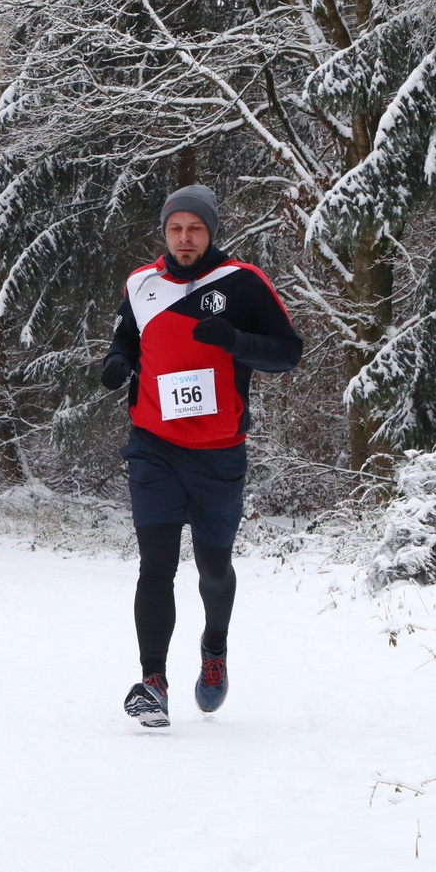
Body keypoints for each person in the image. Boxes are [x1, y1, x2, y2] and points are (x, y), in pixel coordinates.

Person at [100, 184, 303, 727]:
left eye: (194, 229)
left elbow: (289, 352)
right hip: (154, 446)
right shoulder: (142, 284)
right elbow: (126, 337)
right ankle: (154, 682)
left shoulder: (242, 282)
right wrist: (117, 361)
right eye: (175, 229)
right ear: (164, 233)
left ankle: (214, 649)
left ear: (210, 231)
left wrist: (237, 342)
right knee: (156, 565)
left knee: (213, 567)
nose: (184, 238)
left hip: (218, 454)